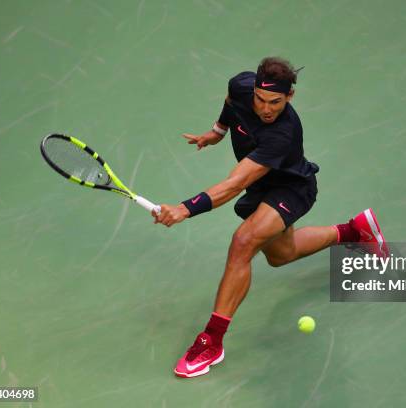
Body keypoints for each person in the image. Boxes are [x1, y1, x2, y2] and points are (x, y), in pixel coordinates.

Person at [152, 57, 389, 378]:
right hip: (262, 191)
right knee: (281, 255)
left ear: (289, 97)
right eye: (260, 100)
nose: (266, 108)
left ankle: (212, 342)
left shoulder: (283, 132)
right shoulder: (241, 87)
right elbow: (230, 102)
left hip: (291, 189)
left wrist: (184, 208)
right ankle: (353, 231)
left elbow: (235, 184)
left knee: (243, 242)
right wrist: (217, 132)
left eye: (275, 102)